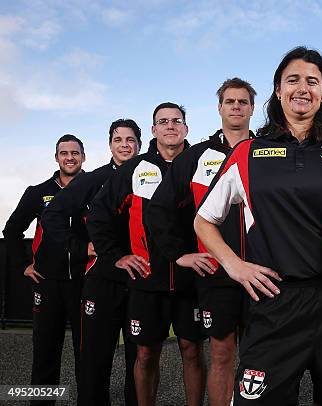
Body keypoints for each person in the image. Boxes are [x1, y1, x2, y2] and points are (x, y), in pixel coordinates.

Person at [194, 47, 322, 405]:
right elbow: (204, 220)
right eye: (293, 80)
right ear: (278, 90)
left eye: (313, 81)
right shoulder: (247, 153)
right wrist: (235, 266)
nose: (302, 88)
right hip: (276, 303)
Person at [146, 78, 256, 406]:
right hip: (216, 274)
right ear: (219, 108)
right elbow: (158, 210)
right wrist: (179, 254)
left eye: (243, 102)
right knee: (221, 353)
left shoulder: (267, 151)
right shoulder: (195, 157)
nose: (236, 107)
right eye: (230, 101)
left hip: (260, 271)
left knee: (259, 356)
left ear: (251, 108)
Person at [88, 103, 205, 406]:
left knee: (192, 350)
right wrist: (116, 255)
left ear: (186, 129)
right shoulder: (134, 169)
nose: (170, 126)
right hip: (146, 279)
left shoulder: (204, 164)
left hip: (191, 279)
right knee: (145, 352)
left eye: (176, 121)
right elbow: (100, 215)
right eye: (162, 122)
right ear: (153, 130)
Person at [41, 119, 141, 405]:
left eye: (130, 139)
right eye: (118, 139)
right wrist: (82, 247)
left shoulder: (152, 175)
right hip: (101, 280)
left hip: (140, 280)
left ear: (139, 144)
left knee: (142, 359)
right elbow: (52, 215)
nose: (125, 144)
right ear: (110, 144)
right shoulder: (93, 180)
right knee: (94, 360)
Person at [3, 134, 85, 405]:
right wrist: (22, 265)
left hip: (85, 282)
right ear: (57, 157)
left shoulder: (96, 187)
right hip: (48, 283)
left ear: (83, 156)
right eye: (64, 153)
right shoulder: (38, 192)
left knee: (87, 354)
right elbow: (12, 229)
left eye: (75, 152)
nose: (70, 157)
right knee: (45, 355)